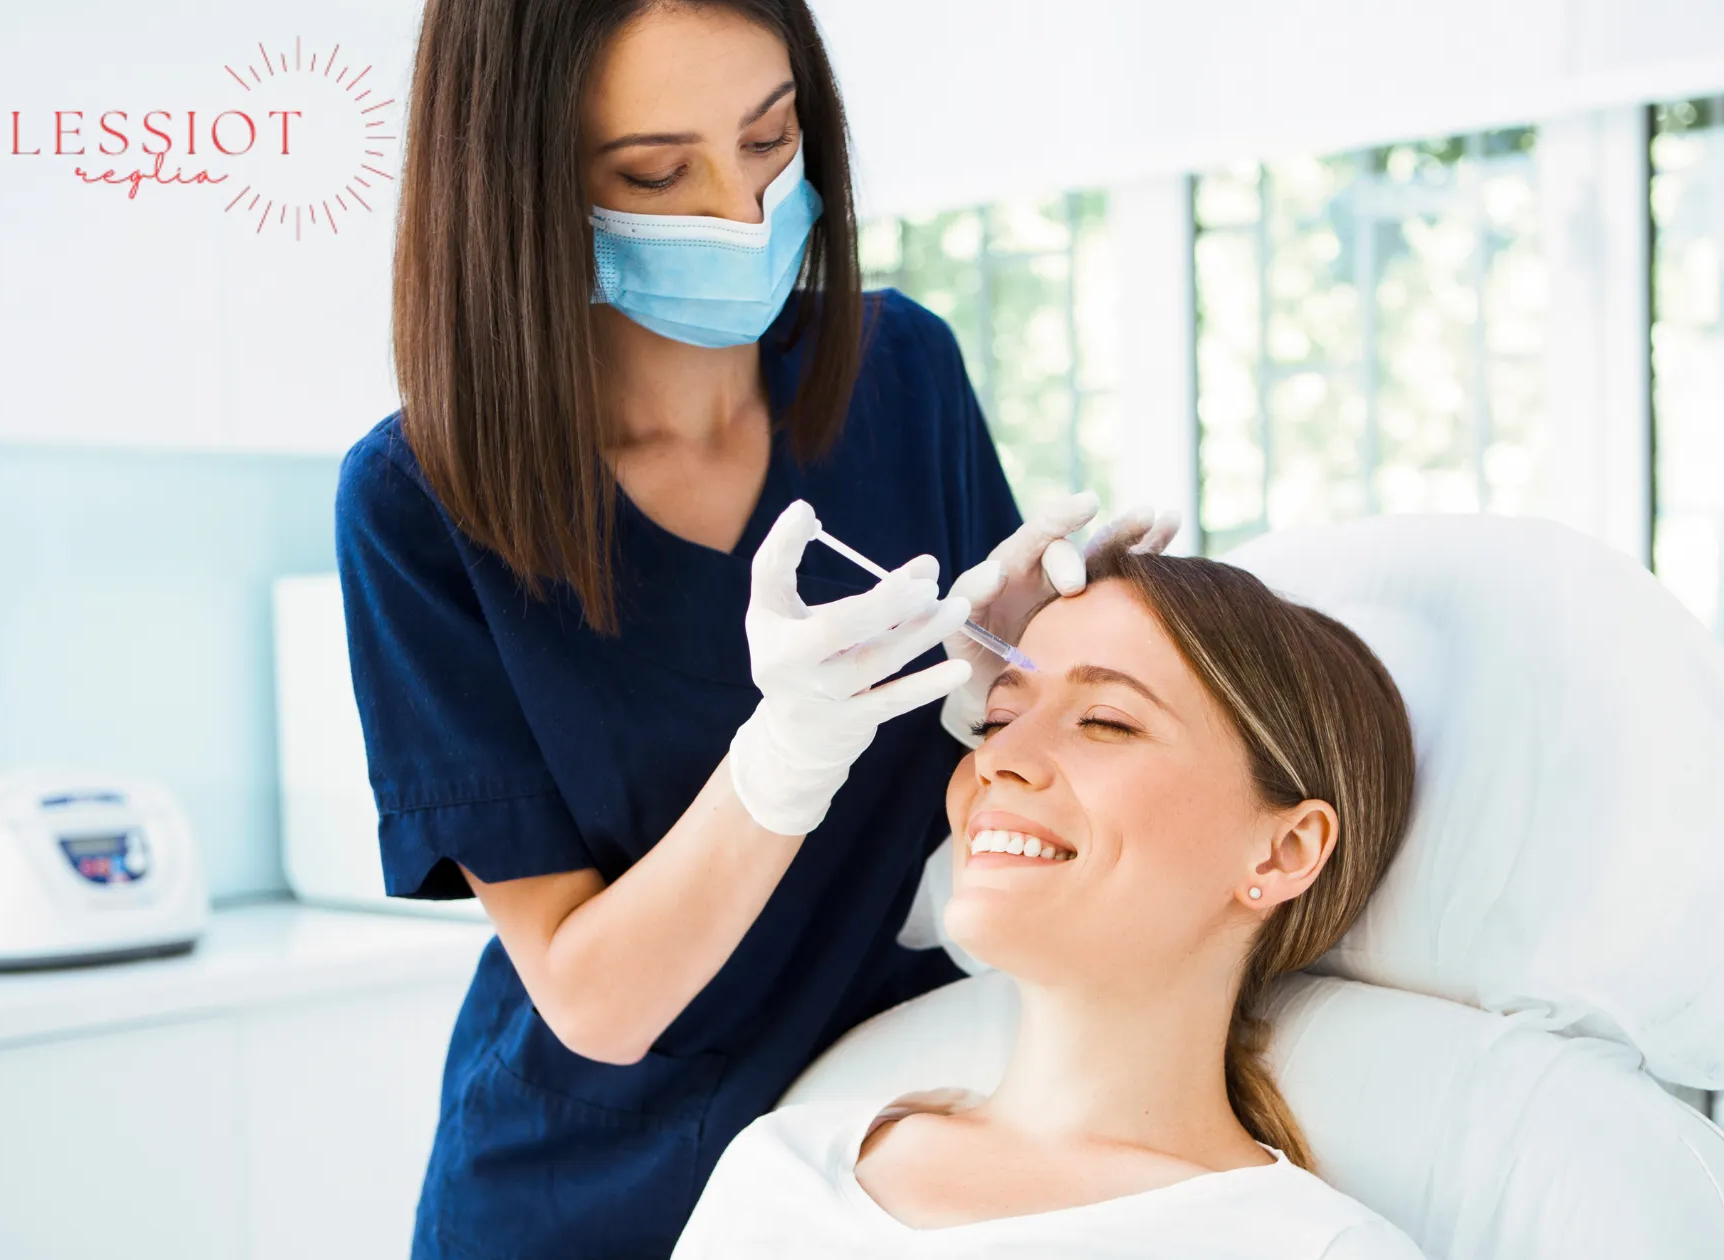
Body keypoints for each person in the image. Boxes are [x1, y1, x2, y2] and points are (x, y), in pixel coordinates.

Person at [332, 2, 1172, 1256]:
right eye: (656, 173)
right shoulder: (422, 502)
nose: (739, 209)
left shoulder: (901, 374)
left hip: (876, 1150)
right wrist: (784, 759)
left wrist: (1002, 680)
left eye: (769, 139)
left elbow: (992, 820)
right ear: (525, 189)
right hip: (595, 1190)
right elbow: (591, 999)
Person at [677, 541, 1428, 1257]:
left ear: (1285, 849)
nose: (997, 759)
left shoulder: (1310, 1248)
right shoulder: (783, 1166)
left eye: (1105, 721)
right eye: (996, 719)